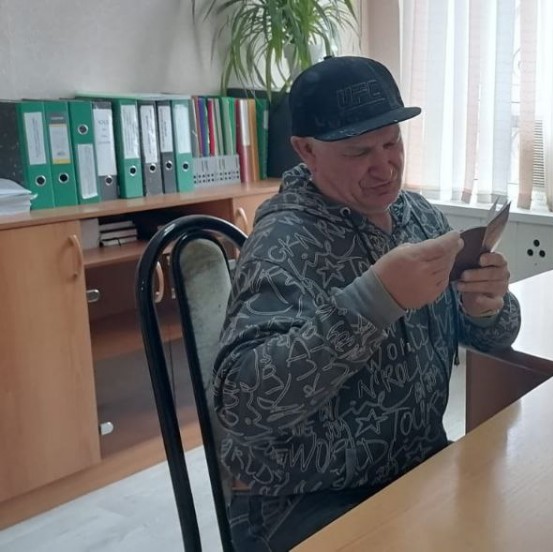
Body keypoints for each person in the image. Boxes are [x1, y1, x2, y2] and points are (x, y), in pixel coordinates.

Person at [212, 56, 521, 551]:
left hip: (415, 469)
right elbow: (242, 402)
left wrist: (487, 307)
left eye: (392, 142)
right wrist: (373, 301)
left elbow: (495, 336)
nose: (384, 167)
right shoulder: (283, 242)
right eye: (358, 152)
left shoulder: (417, 215)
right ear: (305, 151)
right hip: (307, 498)